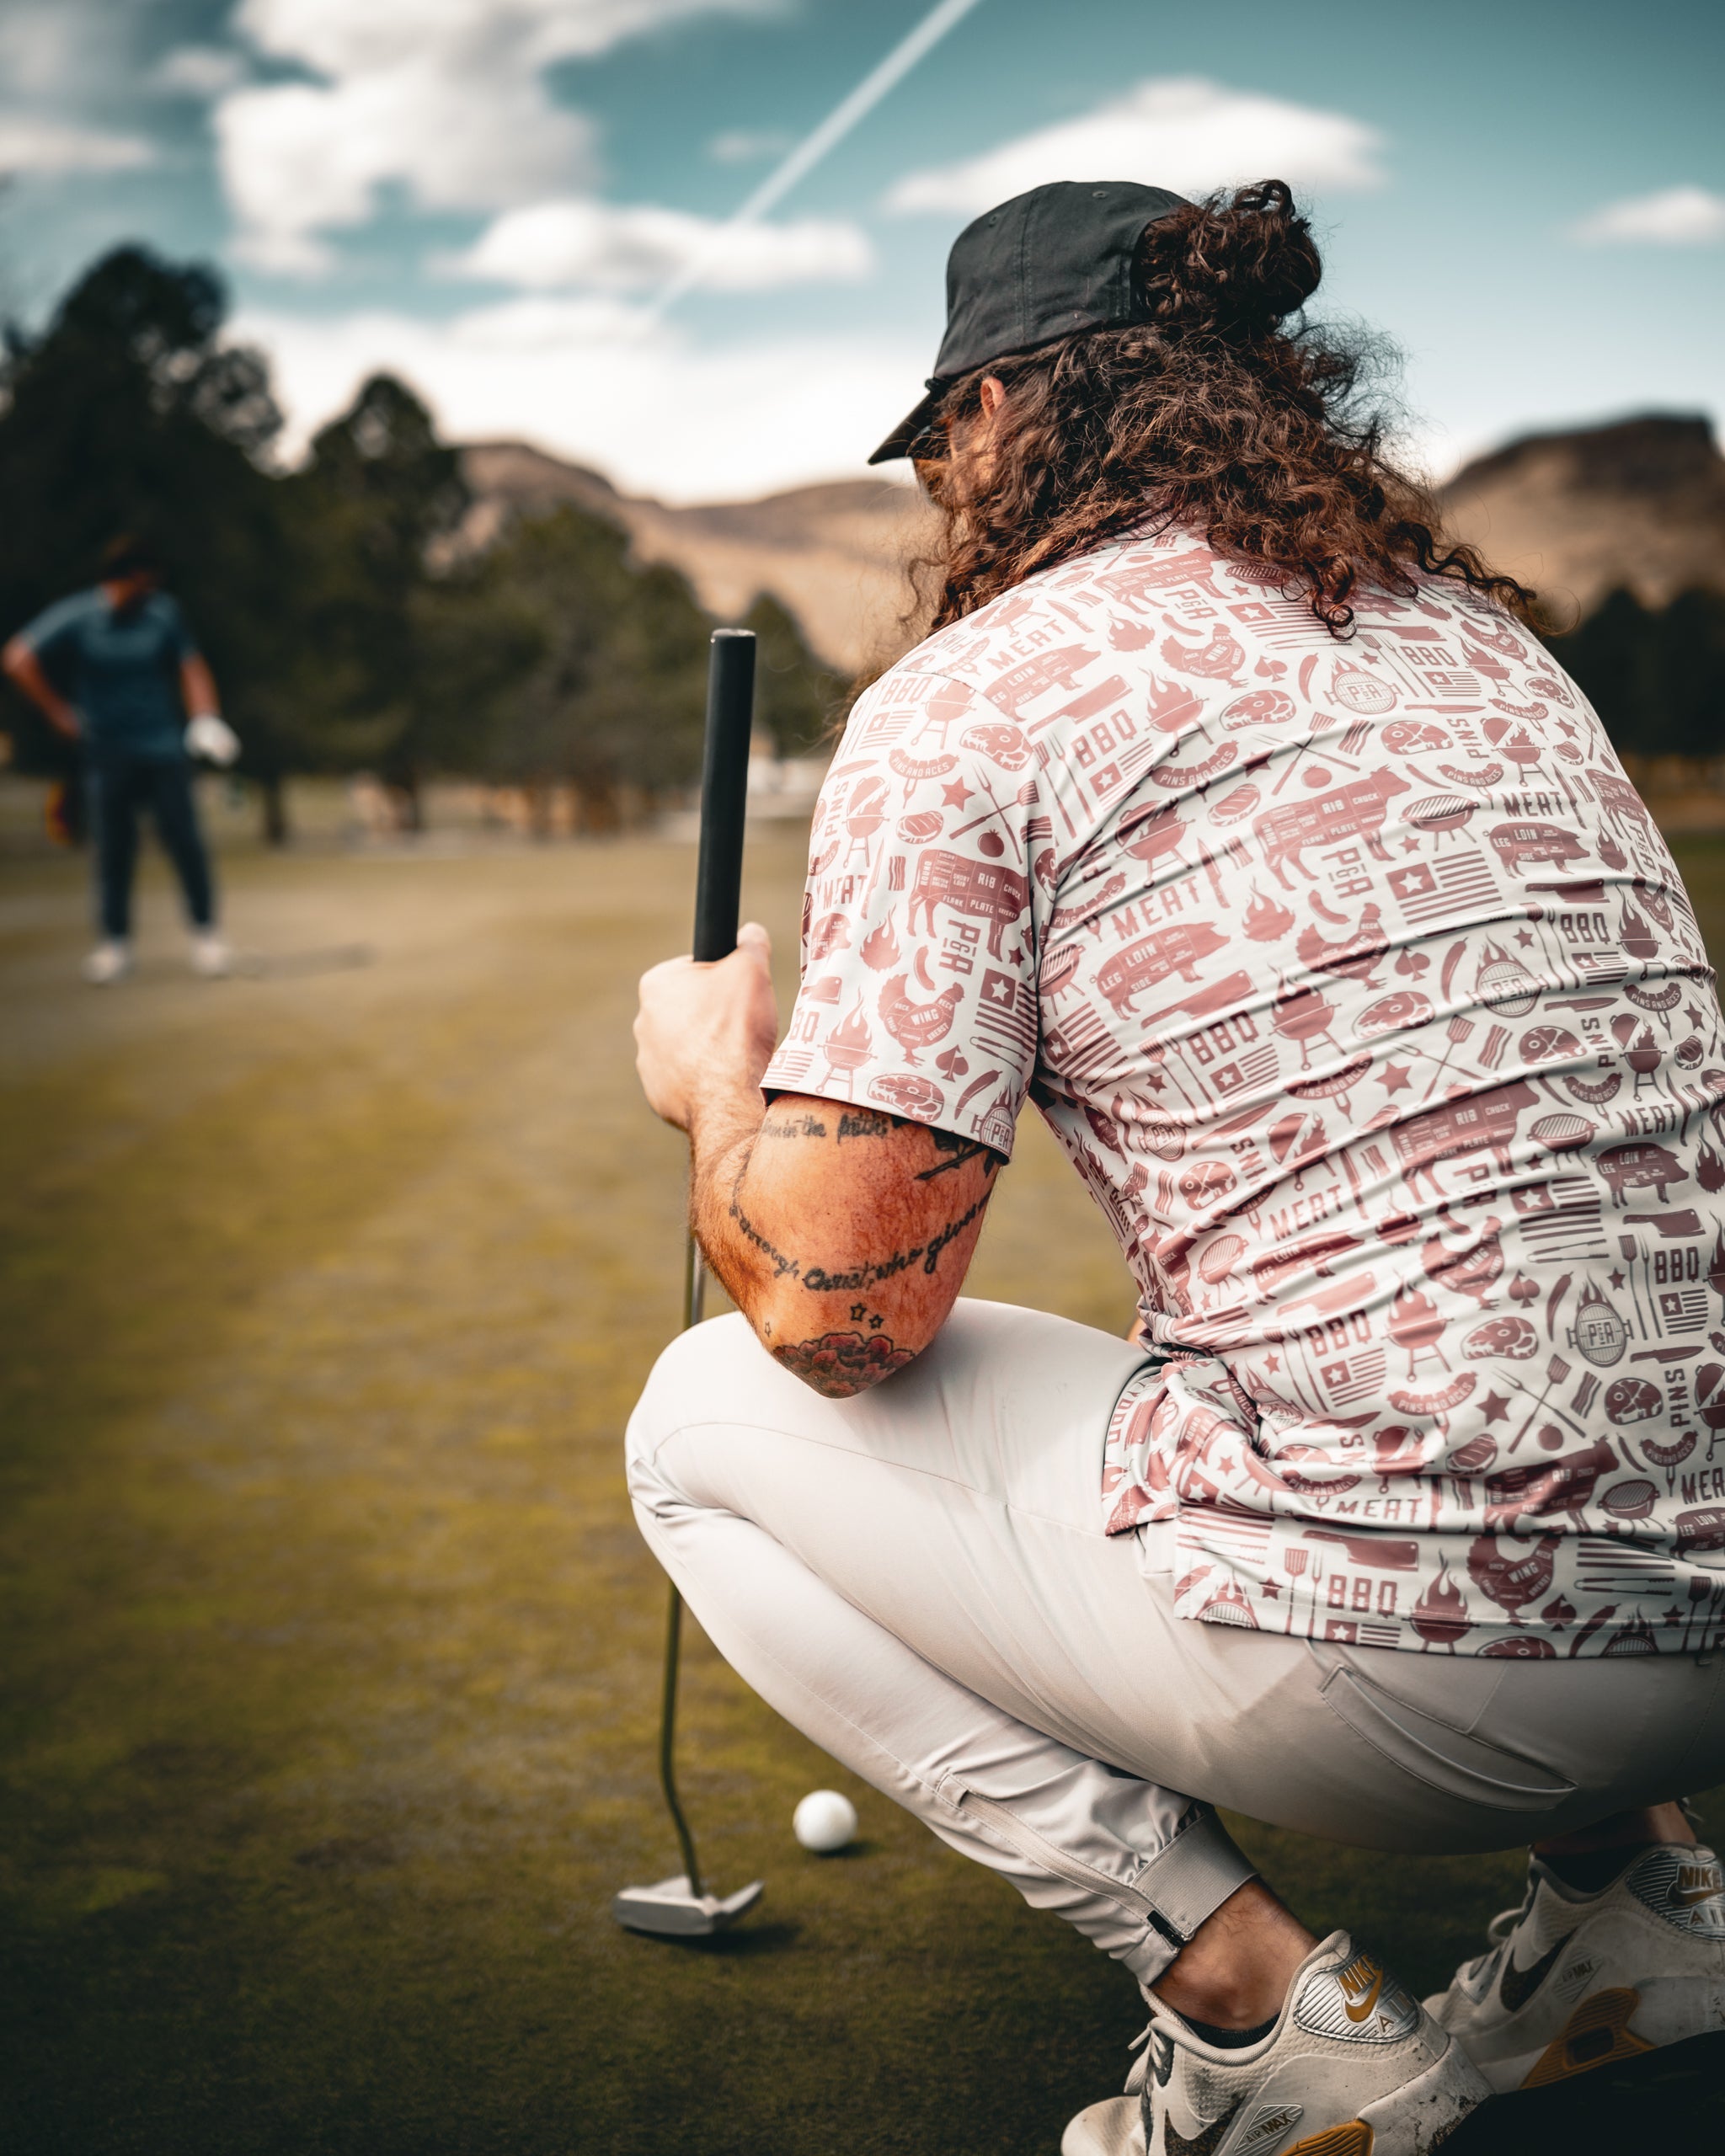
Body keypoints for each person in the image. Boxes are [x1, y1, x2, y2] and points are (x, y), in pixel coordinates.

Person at [628, 182, 1725, 2156]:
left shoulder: (962, 700)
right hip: (1707, 1629)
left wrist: (714, 1083)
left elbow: (835, 1303)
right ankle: (1635, 1899)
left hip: (1417, 1661)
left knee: (695, 1420)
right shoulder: (1489, 650)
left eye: (944, 430)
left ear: (1000, 413)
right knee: (1454, 1271)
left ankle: (1252, 2019)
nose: (942, 480)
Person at [3, 536, 240, 983]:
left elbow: (191, 665)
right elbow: (18, 657)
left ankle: (207, 937)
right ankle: (115, 945)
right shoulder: (78, 616)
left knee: (187, 842)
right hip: (108, 752)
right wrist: (60, 714)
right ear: (122, 578)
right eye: (143, 583)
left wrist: (205, 717)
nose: (149, 592)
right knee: (114, 849)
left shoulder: (162, 613)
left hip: (164, 747)